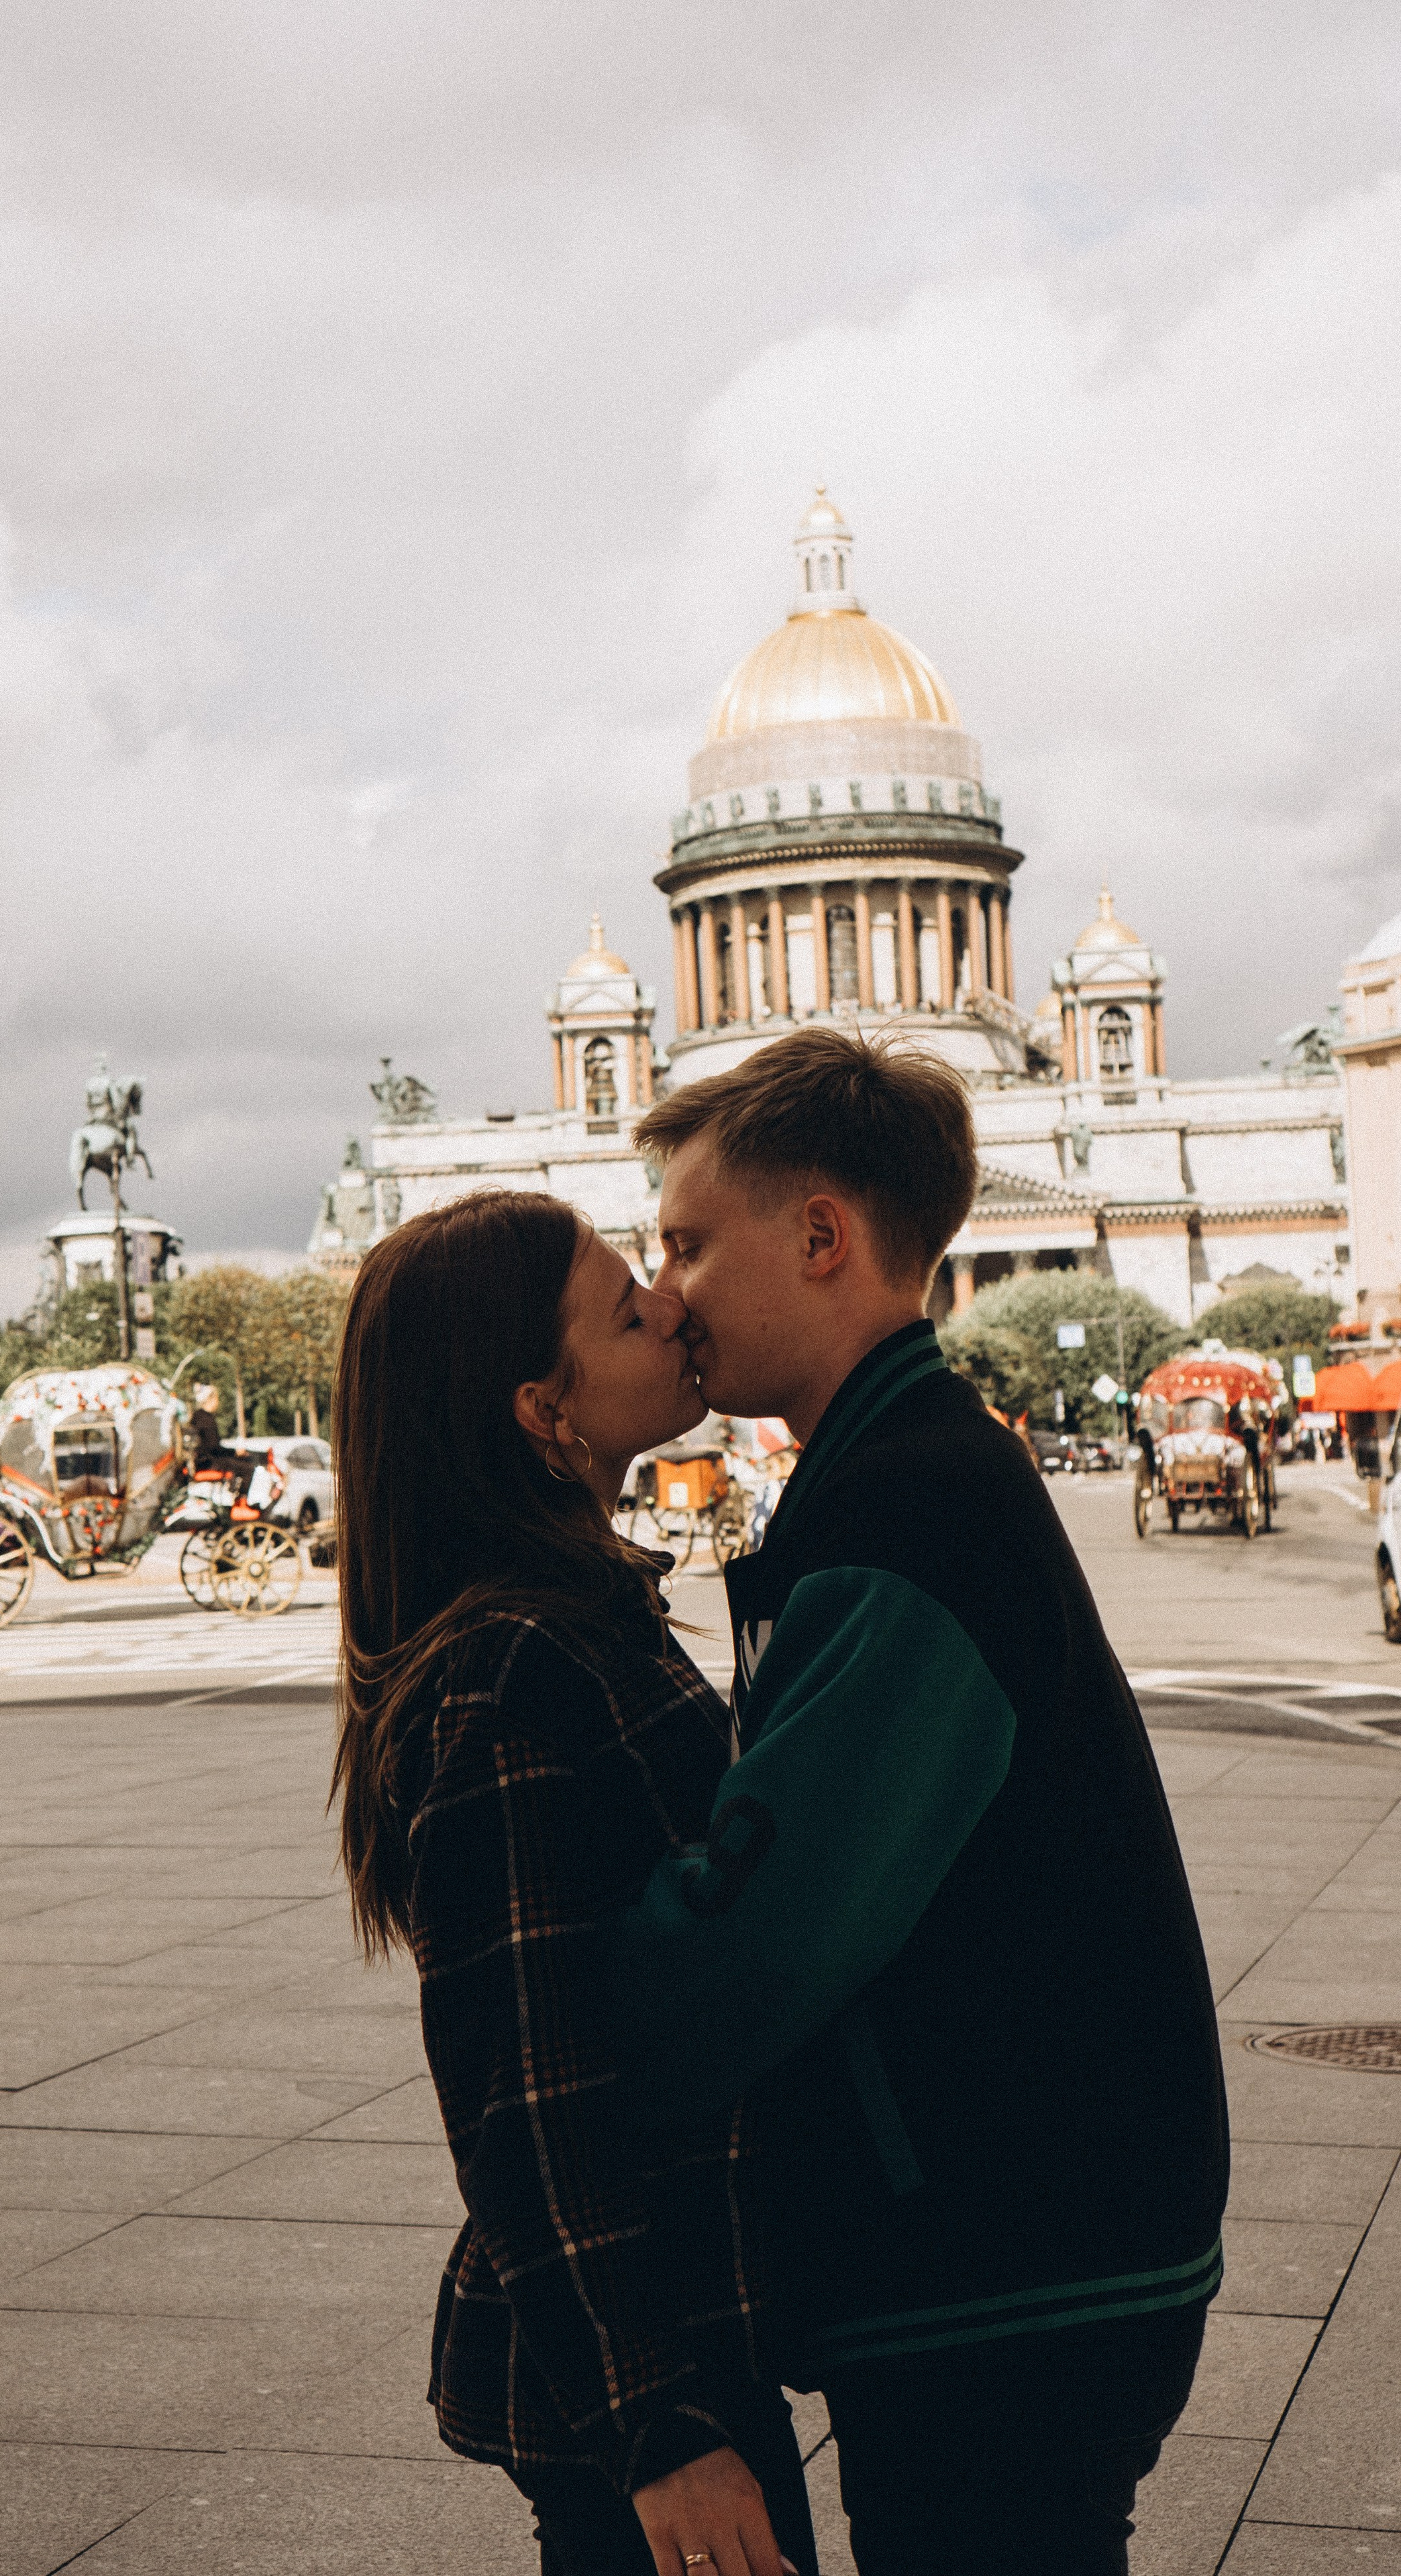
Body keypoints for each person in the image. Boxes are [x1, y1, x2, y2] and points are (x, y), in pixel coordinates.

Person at [608, 1028, 1227, 2576]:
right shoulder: (908, 1468)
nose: (663, 1289)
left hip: (1003, 2258)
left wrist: (560, 1974)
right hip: (1039, 2230)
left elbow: (758, 1943)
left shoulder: (900, 1511)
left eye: (685, 1240)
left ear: (819, 1234)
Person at [332, 1192, 819, 2576]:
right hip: (645, 2368)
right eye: (624, 1308)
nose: (671, 1306)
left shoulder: (570, 1618)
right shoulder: (512, 1670)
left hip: (674, 2333)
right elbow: (518, 2087)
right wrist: (654, 2426)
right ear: (545, 1415)